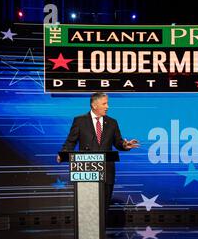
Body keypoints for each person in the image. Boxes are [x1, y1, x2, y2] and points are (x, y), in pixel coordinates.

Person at [57, 92, 139, 224]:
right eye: (104, 103)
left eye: (107, 103)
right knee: (88, 208)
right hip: (86, 170)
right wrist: (64, 153)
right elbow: (71, 141)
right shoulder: (80, 121)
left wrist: (125, 145)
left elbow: (117, 142)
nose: (107, 107)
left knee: (103, 207)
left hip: (107, 171)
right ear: (94, 105)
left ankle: (99, 237)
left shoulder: (112, 122)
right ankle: (87, 235)